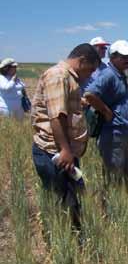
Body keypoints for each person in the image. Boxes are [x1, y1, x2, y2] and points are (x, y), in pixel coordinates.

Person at [31, 44, 100, 232]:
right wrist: (65, 150)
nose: (91, 74)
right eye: (91, 69)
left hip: (64, 153)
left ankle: (75, 241)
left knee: (72, 199)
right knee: (62, 203)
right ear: (82, 60)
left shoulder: (68, 78)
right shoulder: (58, 76)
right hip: (55, 154)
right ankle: (62, 245)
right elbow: (56, 116)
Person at [84, 40, 128, 190]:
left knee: (126, 174)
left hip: (122, 134)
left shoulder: (120, 75)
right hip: (113, 134)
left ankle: (120, 206)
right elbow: (90, 94)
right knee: (113, 177)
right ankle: (110, 209)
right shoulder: (109, 75)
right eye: (124, 56)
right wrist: (107, 112)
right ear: (112, 57)